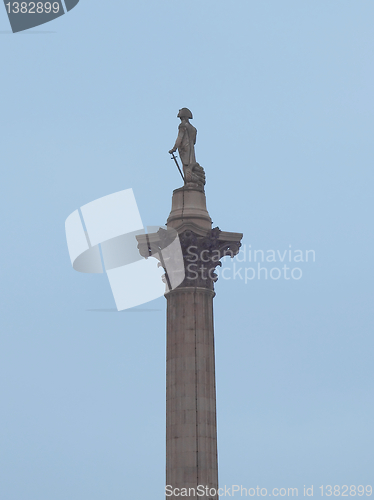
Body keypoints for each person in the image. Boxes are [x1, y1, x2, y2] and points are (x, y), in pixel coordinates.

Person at [169, 108, 197, 173]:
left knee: (186, 167)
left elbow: (180, 137)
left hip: (185, 149)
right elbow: (194, 142)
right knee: (190, 165)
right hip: (191, 150)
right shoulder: (194, 129)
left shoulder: (182, 125)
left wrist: (174, 148)